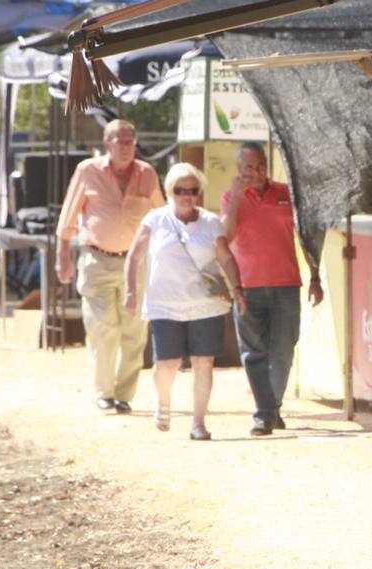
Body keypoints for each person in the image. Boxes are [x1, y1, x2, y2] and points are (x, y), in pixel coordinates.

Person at [123, 163, 246, 441]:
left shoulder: (211, 222)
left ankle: (199, 423)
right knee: (167, 363)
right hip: (165, 303)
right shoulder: (155, 220)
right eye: (180, 190)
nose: (186, 195)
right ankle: (163, 404)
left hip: (205, 304)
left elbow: (226, 258)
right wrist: (130, 291)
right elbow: (134, 256)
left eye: (192, 190)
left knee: (204, 362)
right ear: (169, 192)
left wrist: (238, 289)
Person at [55, 119, 166, 414]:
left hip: (136, 262)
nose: (127, 147)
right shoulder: (88, 171)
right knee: (102, 327)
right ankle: (103, 391)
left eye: (131, 141)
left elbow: (162, 216)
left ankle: (123, 394)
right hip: (97, 259)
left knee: (135, 332)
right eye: (121, 141)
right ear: (107, 144)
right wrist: (62, 256)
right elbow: (68, 218)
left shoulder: (146, 173)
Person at [220, 143, 323, 436]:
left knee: (284, 350)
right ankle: (266, 414)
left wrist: (315, 277)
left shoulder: (286, 193)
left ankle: (270, 407)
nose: (256, 172)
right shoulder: (231, 197)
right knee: (254, 352)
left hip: (286, 284)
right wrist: (238, 196)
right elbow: (225, 237)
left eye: (260, 166)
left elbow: (305, 237)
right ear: (240, 170)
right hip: (248, 285)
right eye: (249, 167)